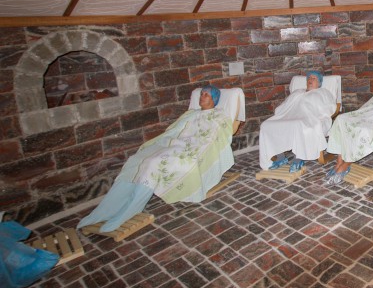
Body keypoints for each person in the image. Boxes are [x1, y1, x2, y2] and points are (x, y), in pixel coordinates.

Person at [77, 85, 233, 232]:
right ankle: (103, 211)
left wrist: (192, 148)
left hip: (190, 149)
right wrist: (168, 142)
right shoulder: (191, 113)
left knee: (153, 164)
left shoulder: (219, 116)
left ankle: (131, 208)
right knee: (136, 160)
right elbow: (173, 130)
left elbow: (214, 138)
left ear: (214, 99)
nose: (201, 97)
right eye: (201, 94)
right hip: (172, 143)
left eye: (206, 95)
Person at [259, 70, 337, 172]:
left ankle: (298, 159)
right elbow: (284, 106)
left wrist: (318, 115)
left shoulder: (323, 92)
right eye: (309, 78)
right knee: (266, 125)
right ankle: (280, 157)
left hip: (309, 118)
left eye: (313, 78)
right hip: (288, 117)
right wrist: (282, 114)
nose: (310, 80)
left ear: (319, 83)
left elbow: (329, 107)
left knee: (298, 125)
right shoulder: (297, 92)